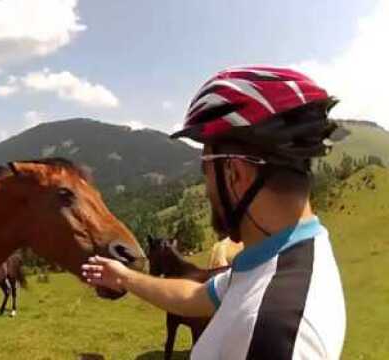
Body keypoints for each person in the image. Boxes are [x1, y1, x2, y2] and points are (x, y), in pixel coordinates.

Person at [82, 66, 346, 359]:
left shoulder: (272, 333)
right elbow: (197, 296)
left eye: (204, 170)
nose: (206, 187)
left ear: (235, 172)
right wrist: (124, 277)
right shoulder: (285, 257)